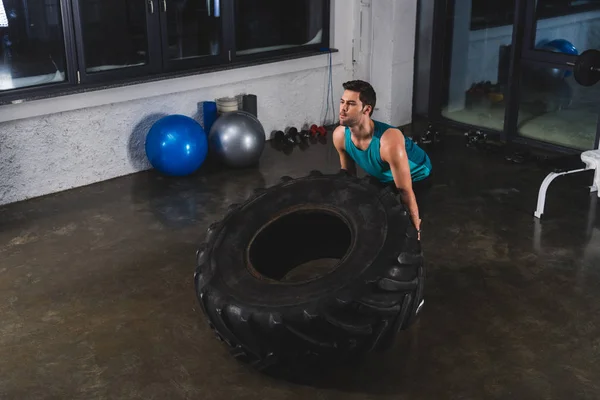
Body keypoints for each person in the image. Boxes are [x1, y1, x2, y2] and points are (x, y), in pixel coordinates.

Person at [332, 80, 432, 239]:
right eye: (342, 102)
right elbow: (349, 178)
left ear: (366, 109)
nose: (343, 109)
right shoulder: (339, 136)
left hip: (417, 174)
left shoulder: (388, 142)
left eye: (351, 104)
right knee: (371, 213)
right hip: (383, 175)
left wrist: (416, 231)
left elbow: (404, 190)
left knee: (408, 228)